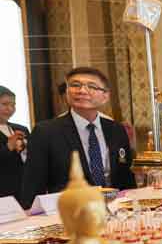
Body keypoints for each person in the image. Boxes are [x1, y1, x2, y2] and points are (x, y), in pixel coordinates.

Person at [19, 67, 136, 209]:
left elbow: (126, 178)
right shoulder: (46, 132)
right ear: (67, 92)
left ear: (105, 96)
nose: (82, 91)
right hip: (69, 216)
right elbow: (33, 183)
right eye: (75, 85)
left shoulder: (116, 129)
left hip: (115, 212)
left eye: (91, 86)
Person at [0, 86, 29, 199]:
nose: (10, 108)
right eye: (5, 104)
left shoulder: (21, 129)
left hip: (23, 188)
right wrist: (8, 147)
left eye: (13, 105)